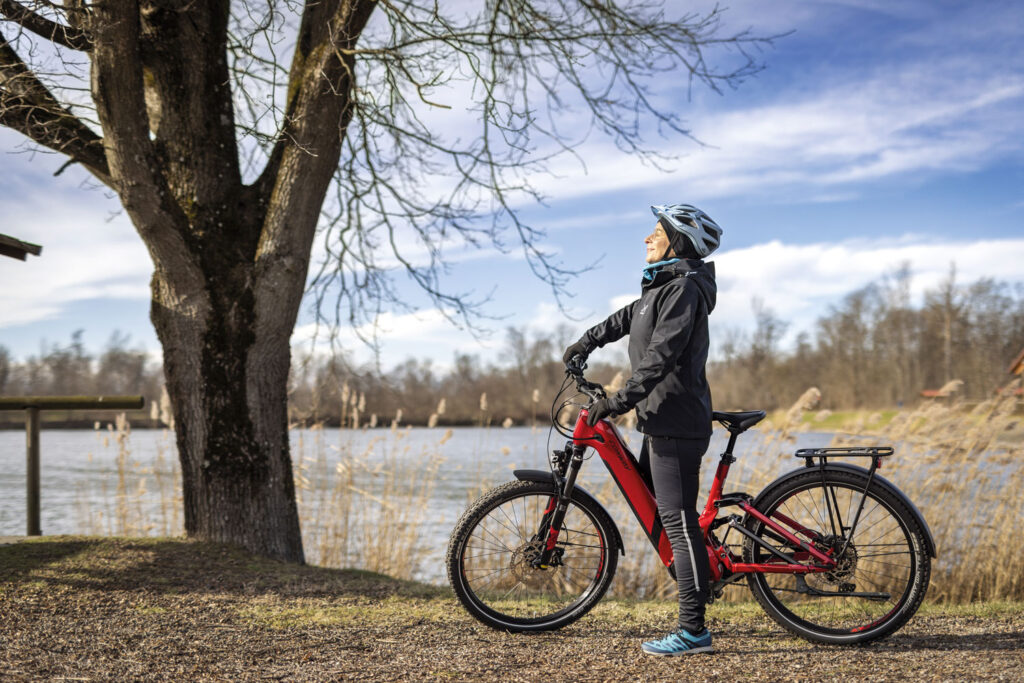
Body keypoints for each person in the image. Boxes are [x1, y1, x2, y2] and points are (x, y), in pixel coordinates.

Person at [562, 203, 721, 656]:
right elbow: (623, 320)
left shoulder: (685, 289)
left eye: (656, 232)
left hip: (676, 421)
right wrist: (585, 342)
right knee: (668, 513)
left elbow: (661, 357)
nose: (646, 239)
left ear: (679, 241)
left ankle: (693, 631)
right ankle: (702, 578)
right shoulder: (663, 288)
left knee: (677, 521)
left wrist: (618, 401)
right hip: (660, 421)